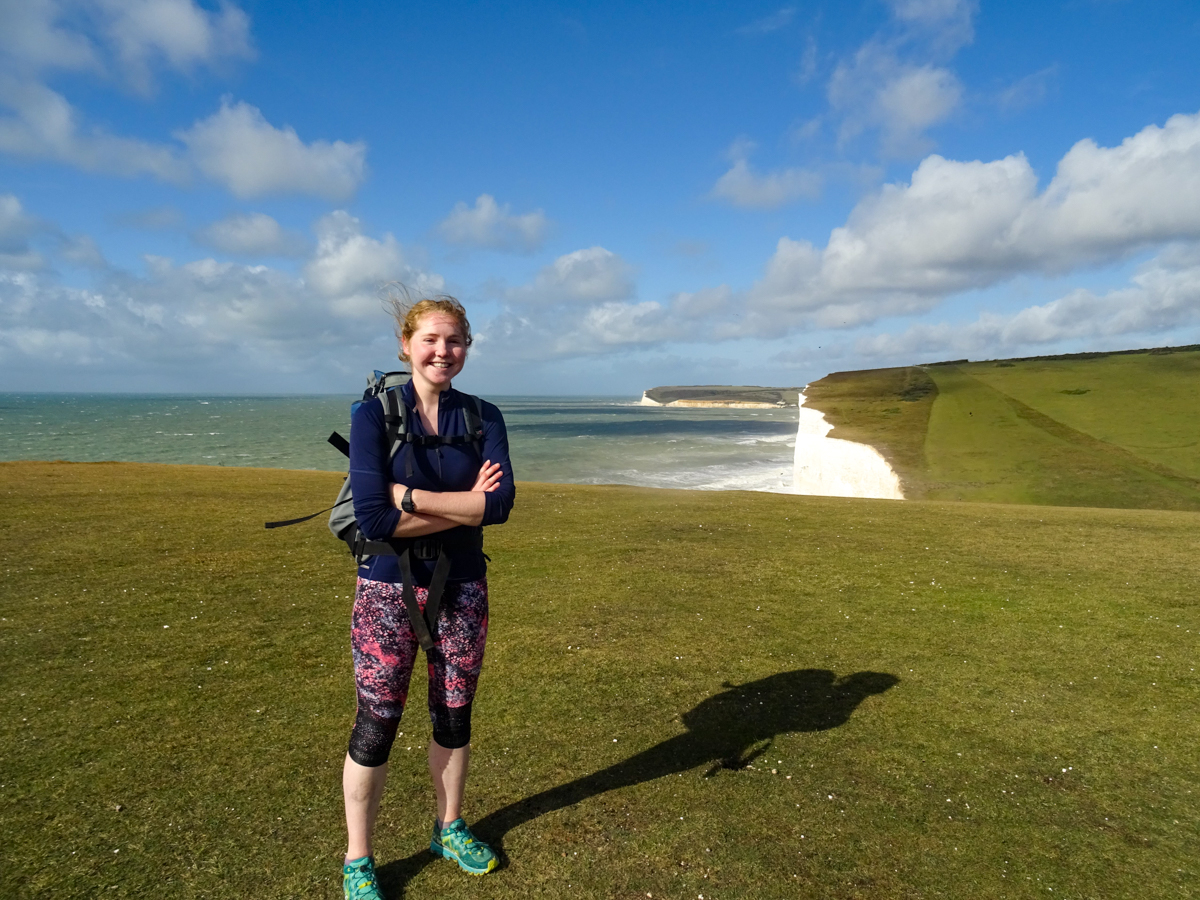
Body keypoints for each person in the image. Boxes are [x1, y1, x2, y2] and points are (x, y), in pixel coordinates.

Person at [340, 293, 515, 900]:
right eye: (431, 340)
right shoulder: (374, 417)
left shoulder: (483, 416)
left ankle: (449, 828)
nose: (444, 352)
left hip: (463, 588)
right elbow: (372, 520)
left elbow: (499, 506)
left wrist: (410, 498)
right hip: (386, 591)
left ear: (467, 346)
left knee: (454, 716)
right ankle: (358, 860)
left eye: (455, 341)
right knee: (376, 724)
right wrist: (464, 506)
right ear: (407, 345)